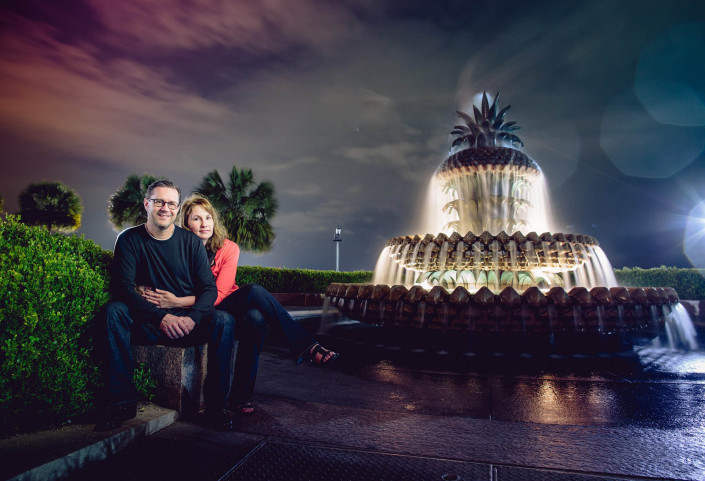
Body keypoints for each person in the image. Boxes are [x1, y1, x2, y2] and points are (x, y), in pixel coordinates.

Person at [138, 194, 338, 415]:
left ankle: (242, 396)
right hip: (203, 314)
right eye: (196, 219)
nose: (205, 223)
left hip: (225, 303)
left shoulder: (228, 248)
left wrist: (177, 301)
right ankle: (304, 348)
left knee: (254, 308)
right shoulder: (180, 250)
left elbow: (221, 293)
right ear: (185, 224)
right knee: (255, 310)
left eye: (208, 217)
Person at [96, 180, 237, 431]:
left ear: (177, 208)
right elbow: (122, 288)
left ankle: (216, 407)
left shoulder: (192, 243)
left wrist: (191, 318)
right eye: (159, 201)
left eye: (171, 203)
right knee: (113, 311)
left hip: (186, 324)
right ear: (147, 203)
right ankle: (120, 403)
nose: (165, 208)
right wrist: (160, 318)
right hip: (149, 322)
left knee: (224, 320)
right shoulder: (129, 239)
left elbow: (208, 289)